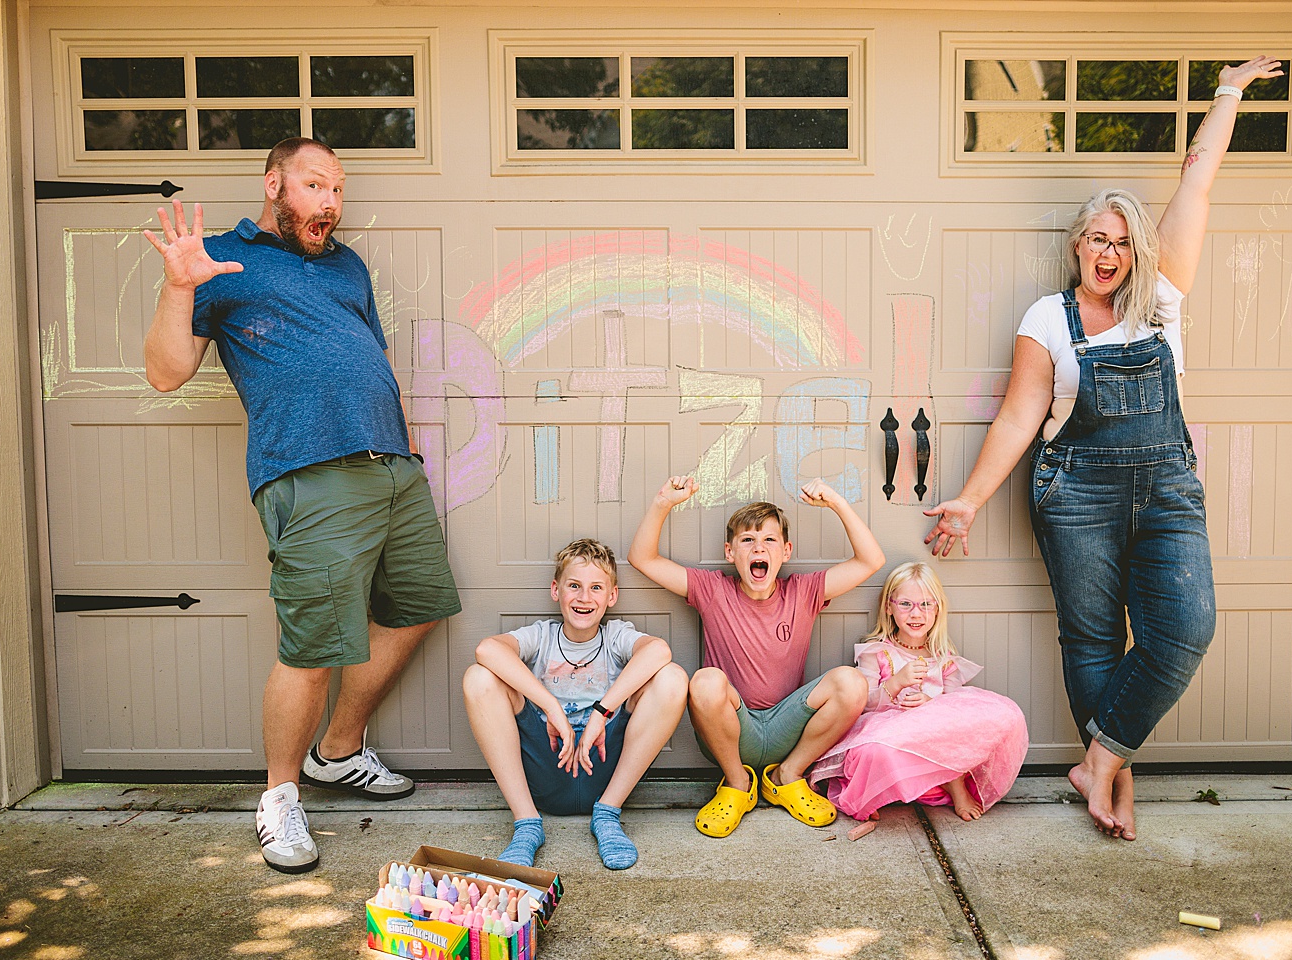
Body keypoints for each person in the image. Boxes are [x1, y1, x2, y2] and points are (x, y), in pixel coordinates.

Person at [923, 57, 1284, 840]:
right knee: (1091, 639)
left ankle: (1099, 759)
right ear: (1078, 246)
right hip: (1074, 488)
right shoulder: (1047, 319)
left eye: (1122, 241)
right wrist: (970, 500)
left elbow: (1199, 180)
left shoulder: (1161, 305)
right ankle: (1113, 781)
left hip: (1165, 488)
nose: (1109, 252)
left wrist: (1227, 93)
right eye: (1097, 239)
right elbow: (1020, 418)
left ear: (1137, 250)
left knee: (1184, 627)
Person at [142, 138, 461, 873]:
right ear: (274, 183)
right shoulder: (220, 260)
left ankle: (337, 750)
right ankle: (279, 799)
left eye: (338, 191)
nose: (330, 204)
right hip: (308, 472)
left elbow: (367, 357)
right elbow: (165, 374)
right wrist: (179, 287)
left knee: (418, 606)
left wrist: (398, 445)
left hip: (391, 467)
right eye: (314, 186)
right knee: (312, 645)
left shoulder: (348, 266)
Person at [628, 476, 884, 837]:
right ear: (731, 552)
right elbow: (642, 558)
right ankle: (737, 784)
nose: (758, 548)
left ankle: (787, 776)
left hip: (787, 730)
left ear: (786, 551)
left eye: (769, 540)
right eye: (747, 540)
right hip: (732, 731)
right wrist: (662, 502)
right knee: (705, 681)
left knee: (852, 682)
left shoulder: (804, 592)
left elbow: (871, 560)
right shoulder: (712, 589)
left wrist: (837, 503)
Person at [462, 539, 688, 870]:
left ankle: (608, 815)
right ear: (556, 590)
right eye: (574, 586)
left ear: (612, 596)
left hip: (603, 762)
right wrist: (552, 707)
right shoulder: (541, 636)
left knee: (672, 677)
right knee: (478, 678)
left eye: (596, 587)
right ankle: (527, 825)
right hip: (548, 764)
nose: (584, 597)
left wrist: (600, 714)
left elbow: (659, 652)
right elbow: (487, 650)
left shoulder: (615, 637)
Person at [808, 562, 1028, 821]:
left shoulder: (942, 657)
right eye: (905, 604)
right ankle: (874, 792)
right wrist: (895, 683)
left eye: (926, 604)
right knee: (871, 752)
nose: (916, 614)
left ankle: (954, 784)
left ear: (937, 609)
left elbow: (957, 711)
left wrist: (931, 703)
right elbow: (863, 704)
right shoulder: (877, 652)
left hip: (931, 738)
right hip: (886, 732)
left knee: (989, 718)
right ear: (889, 607)